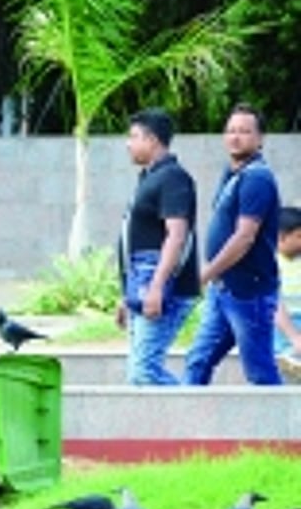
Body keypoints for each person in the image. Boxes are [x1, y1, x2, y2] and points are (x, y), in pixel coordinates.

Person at [184, 103, 282, 385]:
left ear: (260, 138)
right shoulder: (234, 173)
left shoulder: (257, 179)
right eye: (231, 131)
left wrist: (205, 274)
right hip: (223, 290)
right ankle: (188, 427)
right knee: (198, 361)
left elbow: (244, 237)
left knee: (260, 374)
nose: (236, 137)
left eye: (244, 131)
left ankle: (285, 429)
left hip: (248, 294)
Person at [115, 108, 200, 385]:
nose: (128, 144)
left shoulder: (173, 178)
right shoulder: (150, 178)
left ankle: (198, 417)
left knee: (144, 373)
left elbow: (177, 235)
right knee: (138, 375)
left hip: (166, 291)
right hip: (144, 288)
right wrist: (127, 295)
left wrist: (156, 288)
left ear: (152, 140)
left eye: (133, 137)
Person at [272, 205, 301, 381]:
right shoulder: (269, 262)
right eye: (298, 237)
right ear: (282, 237)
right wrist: (295, 337)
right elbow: (274, 303)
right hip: (282, 326)